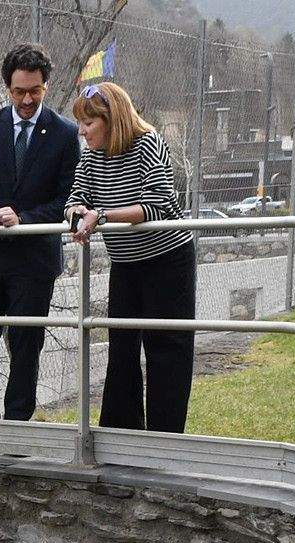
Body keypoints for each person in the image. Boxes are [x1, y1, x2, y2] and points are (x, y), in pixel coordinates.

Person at [0, 44, 80, 423]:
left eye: (35, 91)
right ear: (7, 88)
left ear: (46, 86)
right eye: (19, 92)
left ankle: (17, 430)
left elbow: (67, 199)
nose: (27, 100)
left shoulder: (65, 133)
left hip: (33, 261)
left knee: (26, 348)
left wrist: (24, 219)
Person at [66, 81, 197, 433]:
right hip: (125, 264)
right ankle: (120, 435)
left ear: (111, 120)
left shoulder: (148, 143)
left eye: (88, 123)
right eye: (80, 124)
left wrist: (103, 215)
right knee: (121, 349)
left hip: (168, 260)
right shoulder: (90, 157)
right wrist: (77, 213)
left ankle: (165, 438)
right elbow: (75, 198)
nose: (82, 132)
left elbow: (157, 205)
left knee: (166, 348)